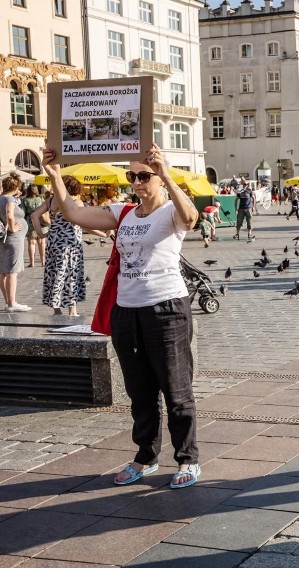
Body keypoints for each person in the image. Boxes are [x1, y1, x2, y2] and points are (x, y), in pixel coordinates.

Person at [43, 142, 202, 489]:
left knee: (175, 389)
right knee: (139, 391)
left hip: (166, 309)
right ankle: (145, 457)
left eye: (144, 176)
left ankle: (188, 459)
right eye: (133, 176)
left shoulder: (170, 213)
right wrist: (54, 174)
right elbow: (73, 214)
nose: (137, 182)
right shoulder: (124, 212)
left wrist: (167, 174)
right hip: (127, 311)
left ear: (158, 178)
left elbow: (191, 217)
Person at [31, 177, 89, 316]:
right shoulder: (76, 202)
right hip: (70, 244)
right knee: (71, 274)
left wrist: (40, 234)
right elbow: (84, 222)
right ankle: (72, 310)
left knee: (55, 273)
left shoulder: (51, 200)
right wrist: (102, 232)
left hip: (53, 242)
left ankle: (56, 309)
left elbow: (34, 215)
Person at [0, 173, 31, 312]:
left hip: (5, 239)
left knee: (3, 270)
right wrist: (13, 227)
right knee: (12, 270)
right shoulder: (10, 200)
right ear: (15, 186)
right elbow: (10, 215)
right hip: (14, 239)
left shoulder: (1, 198)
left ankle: (8, 301)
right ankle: (12, 303)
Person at [22, 185, 47, 267]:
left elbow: (23, 213)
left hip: (30, 221)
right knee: (41, 242)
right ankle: (43, 261)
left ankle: (32, 262)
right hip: (41, 221)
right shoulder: (40, 199)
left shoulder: (25, 200)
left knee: (31, 242)